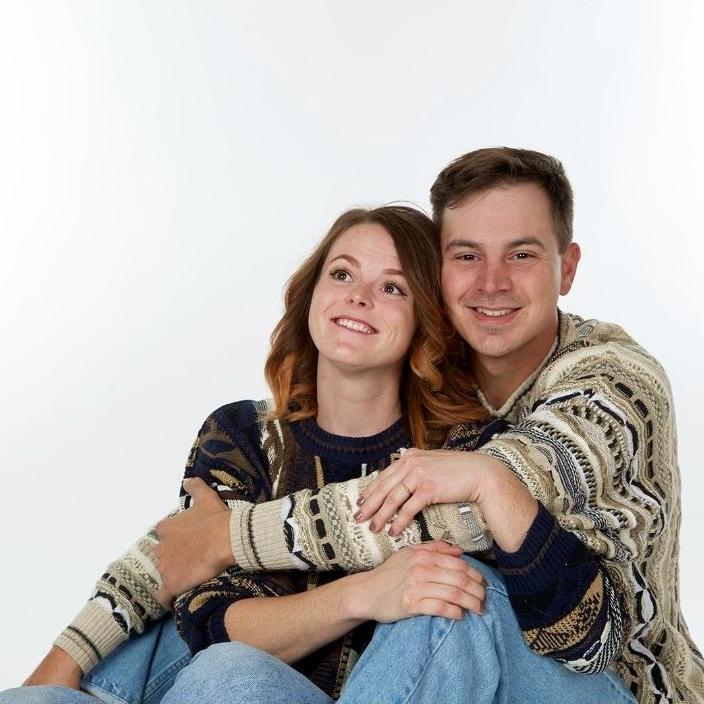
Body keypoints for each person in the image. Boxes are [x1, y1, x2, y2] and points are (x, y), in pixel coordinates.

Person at [119, 149, 703, 703]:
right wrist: (81, 643)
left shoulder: (612, 381)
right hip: (440, 678)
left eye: (521, 255)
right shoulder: (435, 375)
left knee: (451, 590)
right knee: (211, 661)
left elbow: (455, 512)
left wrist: (226, 538)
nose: (492, 282)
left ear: (567, 267)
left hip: (613, 681)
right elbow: (177, 555)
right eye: (467, 256)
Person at [3, 204, 491, 703]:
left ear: (425, 318)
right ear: (311, 293)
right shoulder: (242, 433)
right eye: (342, 274)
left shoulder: (457, 448)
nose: (358, 296)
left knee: (229, 673)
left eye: (392, 288)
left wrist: (227, 538)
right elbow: (207, 612)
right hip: (197, 685)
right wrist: (364, 594)